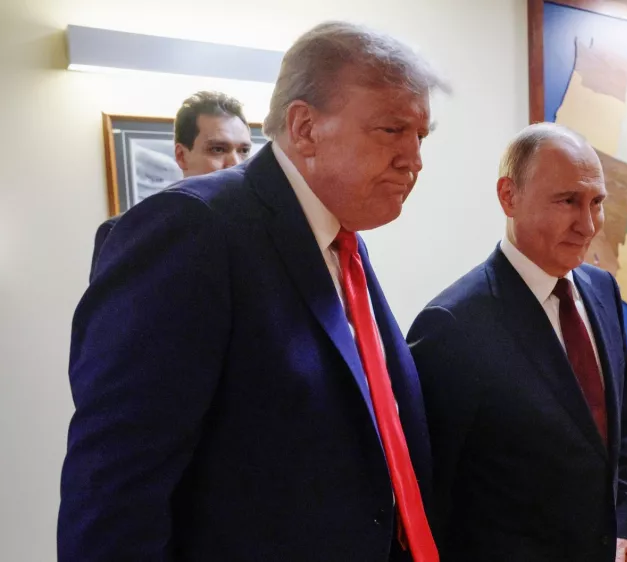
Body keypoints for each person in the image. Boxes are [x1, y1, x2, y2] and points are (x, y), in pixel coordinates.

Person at [60, 22, 448, 562]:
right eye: (391, 130)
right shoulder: (193, 229)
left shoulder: (338, 240)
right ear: (305, 127)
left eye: (421, 137)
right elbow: (116, 489)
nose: (414, 159)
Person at [407, 123, 627, 562]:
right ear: (508, 197)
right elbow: (430, 494)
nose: (588, 224)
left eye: (596, 203)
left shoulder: (602, 290)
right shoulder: (451, 327)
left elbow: (621, 425)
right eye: (568, 201)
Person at [89, 91, 253, 278]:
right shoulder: (126, 234)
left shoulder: (262, 232)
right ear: (182, 156)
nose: (235, 163)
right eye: (217, 149)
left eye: (244, 151)